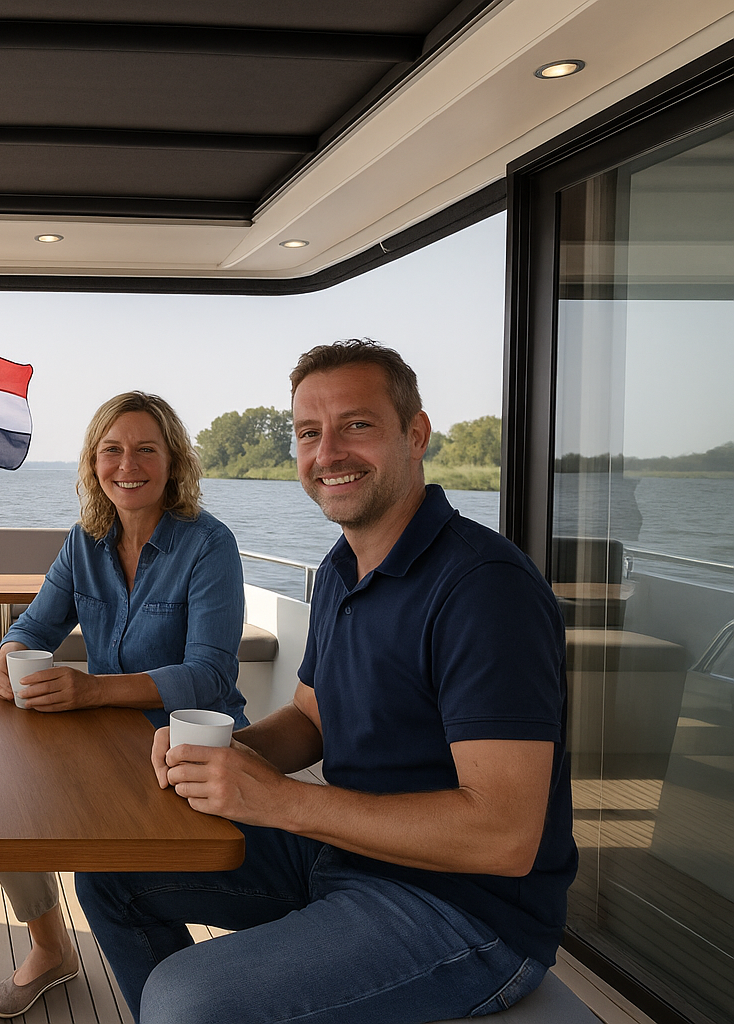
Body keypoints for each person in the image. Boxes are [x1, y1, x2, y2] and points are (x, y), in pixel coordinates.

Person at [75, 341, 578, 1024]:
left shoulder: (484, 591)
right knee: (109, 870)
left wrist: (279, 801)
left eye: (357, 425)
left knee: (184, 999)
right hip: (347, 852)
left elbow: (503, 836)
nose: (329, 452)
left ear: (416, 435)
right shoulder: (343, 568)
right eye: (310, 433)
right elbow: (312, 718)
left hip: (466, 912)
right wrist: (228, 755)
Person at [0, 391, 247, 1018]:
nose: (128, 464)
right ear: (94, 463)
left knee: (106, 876)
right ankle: (51, 948)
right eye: (112, 450)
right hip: (104, 741)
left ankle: (175, 1001)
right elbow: (32, 628)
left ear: (173, 461)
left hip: (190, 746)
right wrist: (9, 660)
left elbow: (210, 676)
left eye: (145, 449)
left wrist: (92, 689)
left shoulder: (209, 545)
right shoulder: (84, 543)